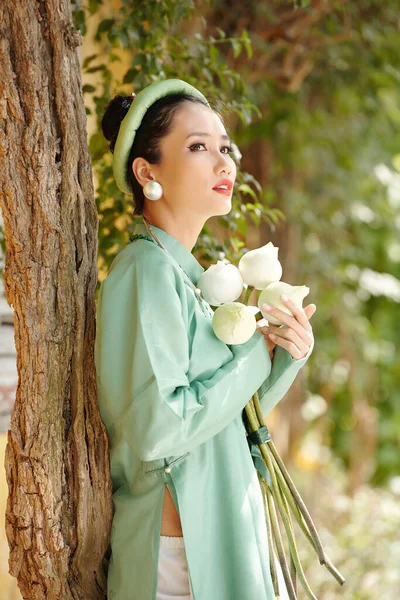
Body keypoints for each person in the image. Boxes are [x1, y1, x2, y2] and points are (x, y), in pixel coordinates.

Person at [94, 79, 315, 600]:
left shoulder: (190, 277)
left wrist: (284, 354)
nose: (223, 163)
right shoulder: (144, 271)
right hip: (180, 556)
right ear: (146, 172)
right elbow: (159, 427)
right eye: (197, 147)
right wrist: (253, 359)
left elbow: (224, 420)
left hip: (219, 531)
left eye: (224, 147)